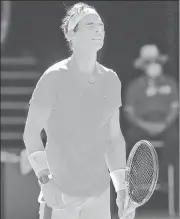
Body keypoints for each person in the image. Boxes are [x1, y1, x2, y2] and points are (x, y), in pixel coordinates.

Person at [23, 2, 135, 219]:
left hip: (99, 194)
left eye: (101, 25)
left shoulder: (111, 79)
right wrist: (46, 180)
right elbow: (31, 133)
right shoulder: (53, 77)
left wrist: (121, 188)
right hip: (60, 194)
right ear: (70, 33)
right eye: (90, 24)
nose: (98, 29)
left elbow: (113, 138)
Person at [124, 44, 179, 188]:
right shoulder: (134, 86)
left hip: (165, 124)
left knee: (175, 138)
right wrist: (145, 125)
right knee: (131, 138)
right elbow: (129, 112)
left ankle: (167, 177)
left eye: (156, 61)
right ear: (142, 66)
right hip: (141, 124)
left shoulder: (170, 83)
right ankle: (139, 180)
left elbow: (175, 109)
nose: (153, 65)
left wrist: (164, 124)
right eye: (148, 62)